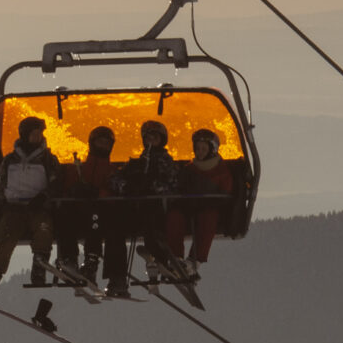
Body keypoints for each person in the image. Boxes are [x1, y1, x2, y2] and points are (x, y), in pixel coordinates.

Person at [0, 114, 59, 306]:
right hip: (13, 209)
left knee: (43, 229)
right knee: (7, 239)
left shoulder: (48, 160)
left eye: (39, 134)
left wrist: (43, 197)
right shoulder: (10, 161)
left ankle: (39, 269)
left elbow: (56, 184)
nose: (37, 138)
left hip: (38, 209)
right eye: (34, 134)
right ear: (24, 135)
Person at [114, 119, 181, 288]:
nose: (151, 141)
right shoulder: (137, 163)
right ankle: (120, 274)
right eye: (148, 137)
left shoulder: (166, 161)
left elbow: (173, 184)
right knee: (117, 224)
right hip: (137, 209)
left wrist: (152, 186)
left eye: (155, 138)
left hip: (158, 207)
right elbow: (116, 179)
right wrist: (128, 186)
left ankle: (160, 258)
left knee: (152, 220)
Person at [55, 126, 124, 290]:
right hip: (78, 214)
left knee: (96, 216)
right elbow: (64, 191)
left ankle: (91, 262)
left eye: (107, 143)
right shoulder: (78, 169)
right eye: (100, 142)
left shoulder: (112, 171)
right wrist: (73, 191)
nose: (103, 146)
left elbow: (117, 193)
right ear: (93, 144)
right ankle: (70, 259)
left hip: (100, 217)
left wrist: (98, 193)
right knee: (64, 213)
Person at [165, 125, 240, 269]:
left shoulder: (221, 170)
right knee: (174, 215)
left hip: (210, 208)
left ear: (212, 150)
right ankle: (176, 257)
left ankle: (196, 259)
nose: (199, 153)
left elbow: (226, 193)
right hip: (190, 206)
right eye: (197, 149)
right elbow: (180, 187)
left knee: (208, 218)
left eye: (203, 149)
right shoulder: (190, 169)